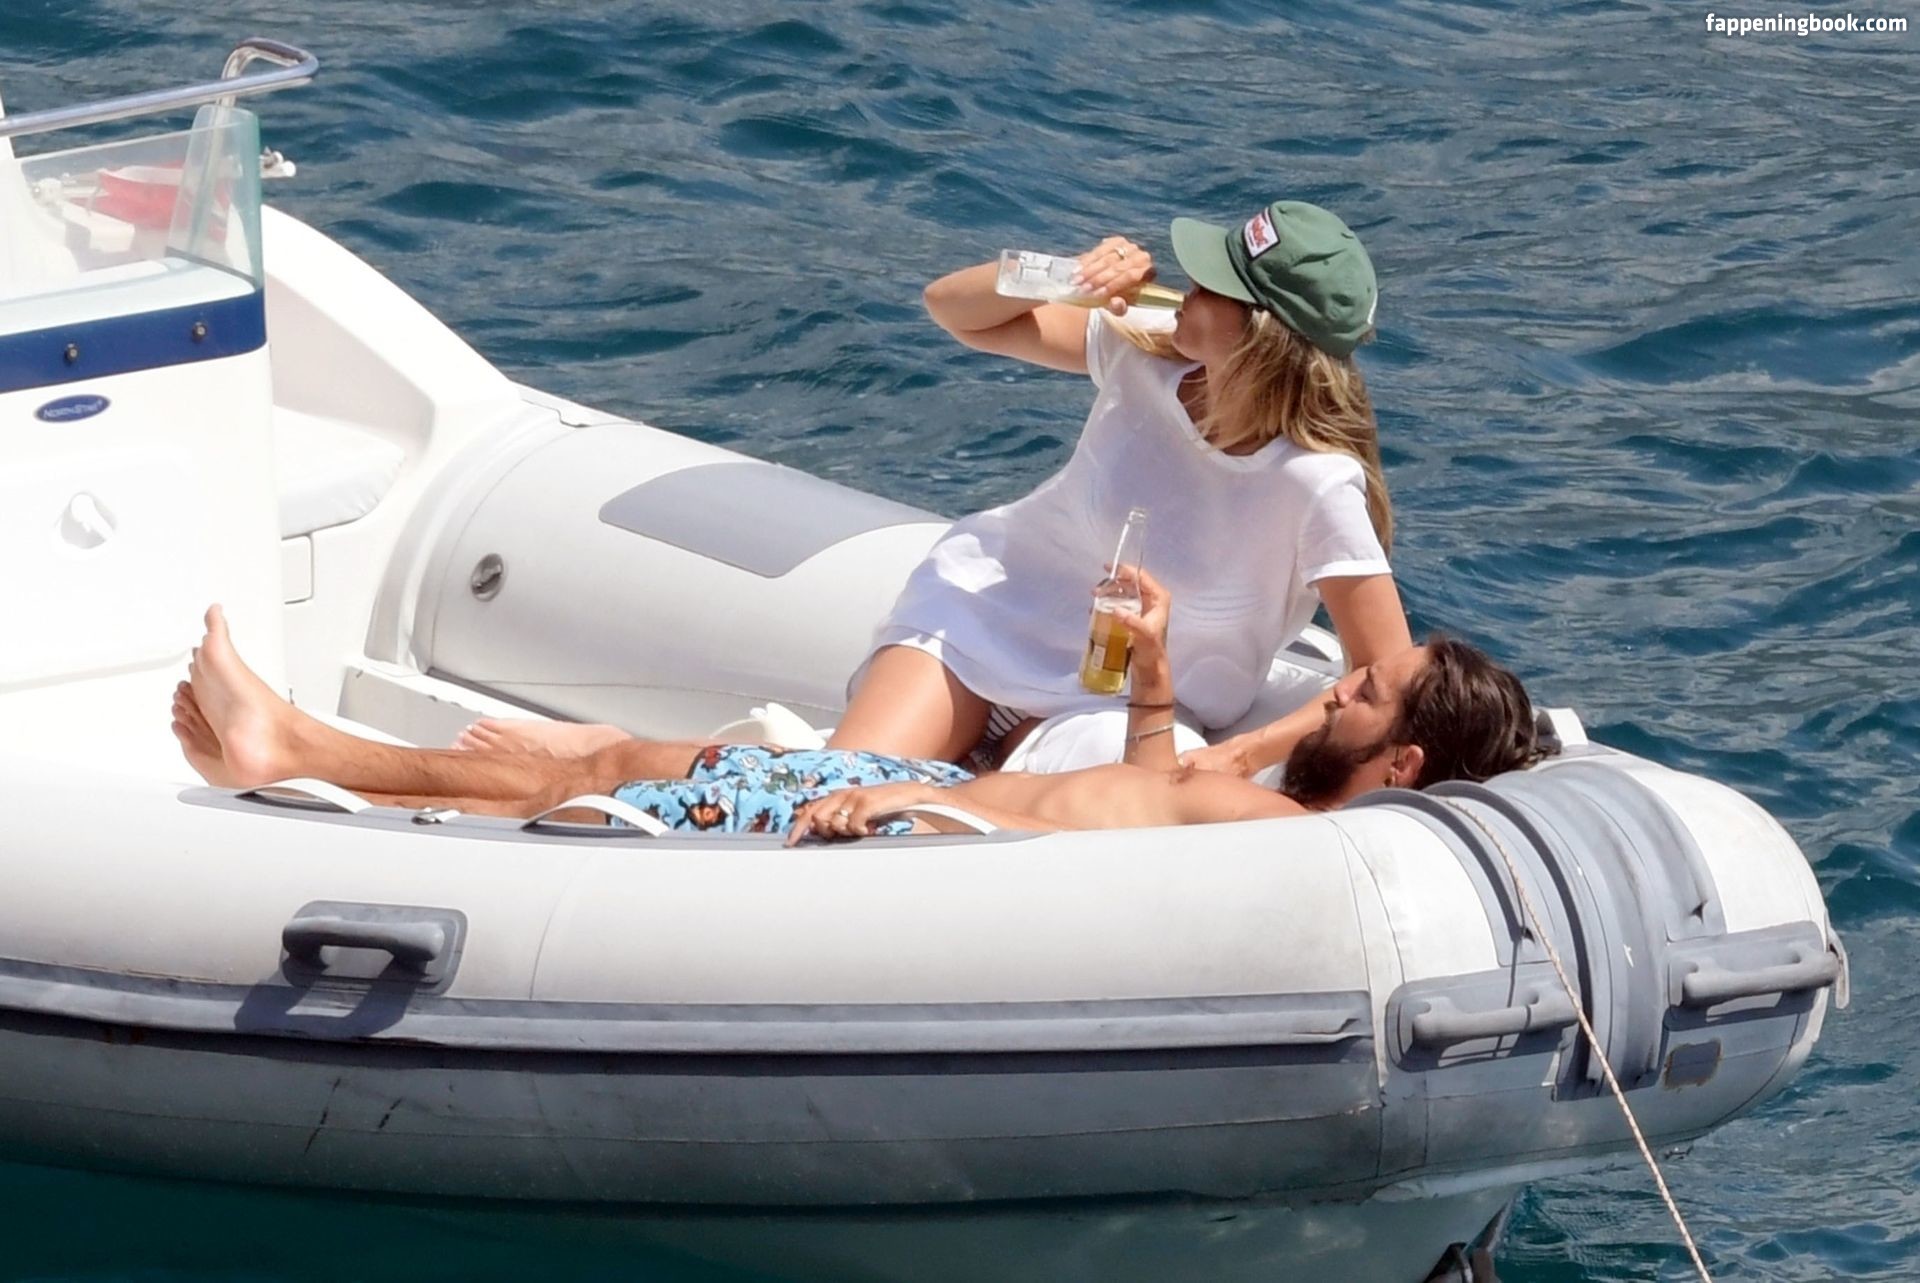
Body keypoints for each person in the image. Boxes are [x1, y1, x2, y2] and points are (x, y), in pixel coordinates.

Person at [170, 580, 1549, 842]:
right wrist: (1156, 674)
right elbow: (1158, 785)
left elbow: (1126, 827)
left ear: (1404, 758)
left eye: (1365, 690)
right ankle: (310, 753)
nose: (1337, 680)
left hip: (905, 826)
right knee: (624, 758)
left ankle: (301, 749)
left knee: (581, 789)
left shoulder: (1294, 837)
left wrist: (913, 803)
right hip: (920, 805)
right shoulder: (1264, 802)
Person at [824, 199, 1412, 779]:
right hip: (986, 622)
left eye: (1213, 283)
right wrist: (1072, 275)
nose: (1189, 285)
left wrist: (1243, 754)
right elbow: (951, 309)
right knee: (834, 793)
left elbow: (1389, 673)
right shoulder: (1147, 348)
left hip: (1121, 709)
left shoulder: (1315, 483)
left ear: (1260, 334)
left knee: (1105, 795)